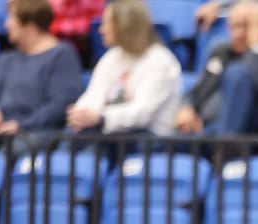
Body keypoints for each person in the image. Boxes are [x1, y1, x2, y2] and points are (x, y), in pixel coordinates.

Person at [0, 0, 84, 167]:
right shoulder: (9, 59)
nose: (7, 24)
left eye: (12, 18)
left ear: (30, 26)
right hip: (1, 128)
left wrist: (21, 125)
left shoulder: (62, 55)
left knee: (16, 148)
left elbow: (58, 106)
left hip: (38, 130)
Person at [174, 0, 258, 145]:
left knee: (237, 73)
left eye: (245, 26)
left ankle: (224, 145)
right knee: (161, 144)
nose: (238, 34)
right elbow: (198, 90)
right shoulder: (222, 53)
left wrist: (256, 46)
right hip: (204, 133)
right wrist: (187, 107)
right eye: (233, 27)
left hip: (249, 141)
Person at [67, 0, 183, 136]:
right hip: (109, 135)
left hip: (148, 139)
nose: (101, 30)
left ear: (124, 26)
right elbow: (93, 95)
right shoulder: (112, 57)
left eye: (106, 24)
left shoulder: (160, 60)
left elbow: (143, 113)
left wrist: (101, 118)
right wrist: (81, 114)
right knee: (71, 137)